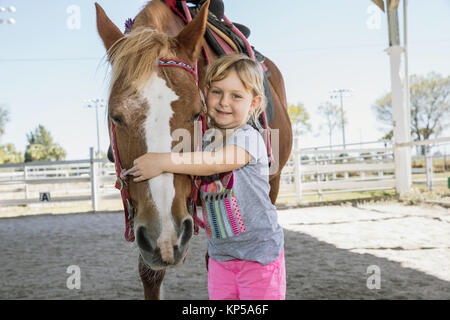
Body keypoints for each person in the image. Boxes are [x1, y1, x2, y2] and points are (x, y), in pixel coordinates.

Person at [129, 53, 286, 300]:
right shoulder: (204, 142)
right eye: (217, 92)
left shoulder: (248, 137)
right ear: (205, 94)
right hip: (221, 258)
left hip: (259, 257)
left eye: (236, 96)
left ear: (254, 103)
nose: (224, 102)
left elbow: (215, 163)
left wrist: (162, 161)